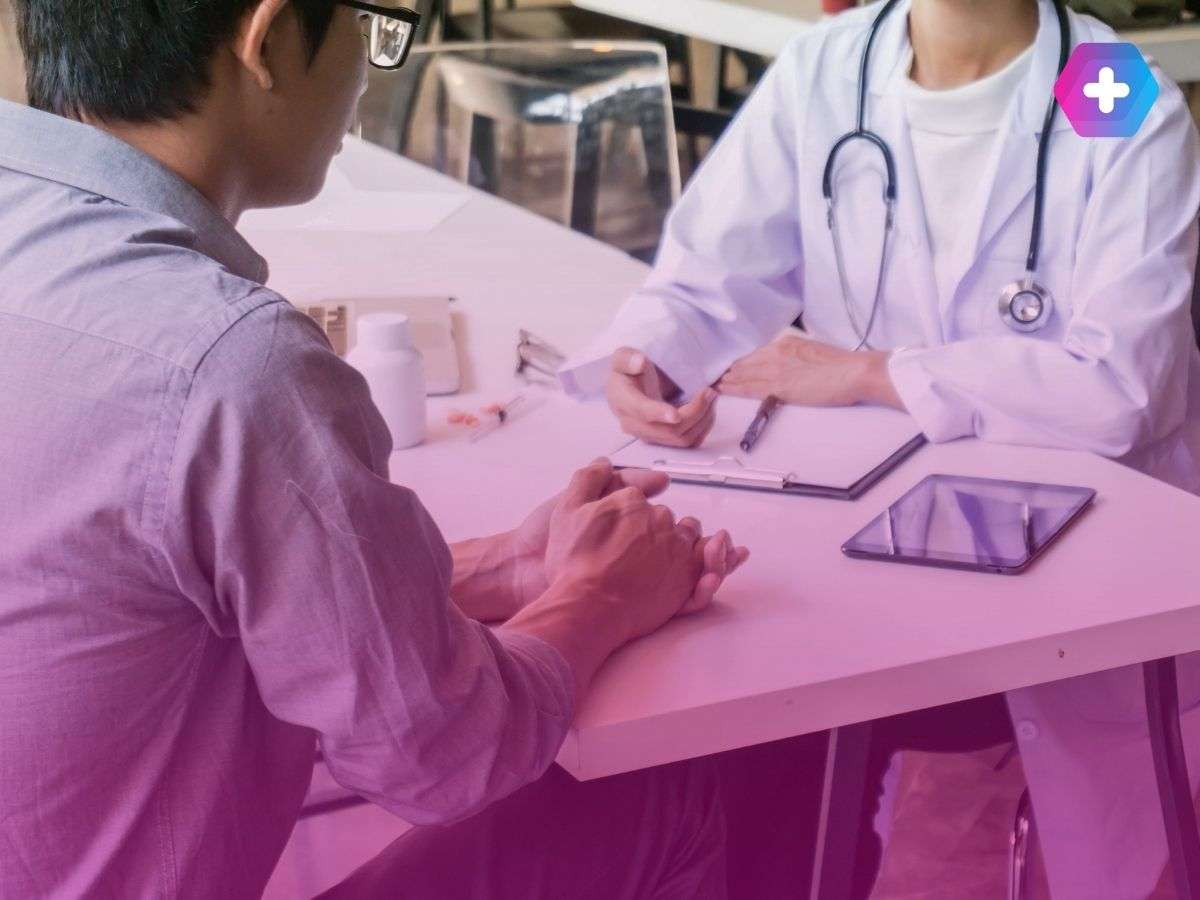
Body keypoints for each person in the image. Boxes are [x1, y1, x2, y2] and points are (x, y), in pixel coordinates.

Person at [0, 1, 753, 898]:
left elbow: (134, 591)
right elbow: (440, 757)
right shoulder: (226, 361)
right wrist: (603, 598)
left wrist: (498, 565)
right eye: (368, 20)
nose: (368, 66)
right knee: (669, 796)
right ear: (270, 39)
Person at [559, 0, 1200, 897]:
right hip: (860, 530)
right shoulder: (831, 65)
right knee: (751, 730)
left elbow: (1117, 391)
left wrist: (869, 373)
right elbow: (711, 272)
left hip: (1074, 556)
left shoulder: (1112, 91)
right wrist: (652, 357)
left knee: (1110, 840)